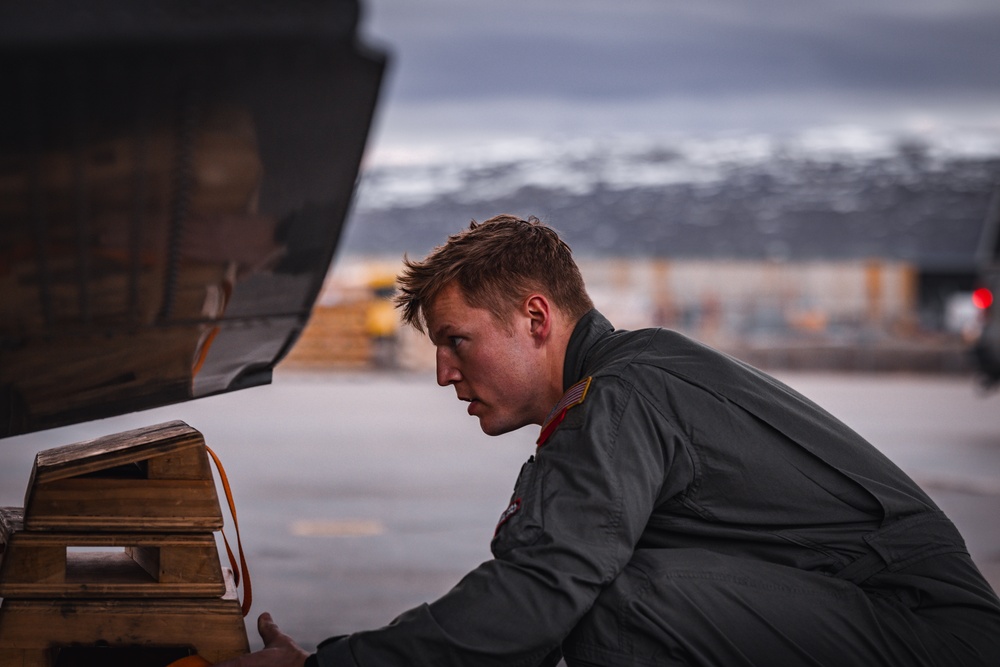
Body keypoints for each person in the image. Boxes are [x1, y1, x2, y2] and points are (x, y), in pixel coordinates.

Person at [217, 215, 1000, 666]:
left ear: (535, 317)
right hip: (895, 624)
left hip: (925, 634)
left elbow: (535, 597)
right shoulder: (634, 376)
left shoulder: (623, 396)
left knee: (614, 602)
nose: (443, 374)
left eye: (456, 341)